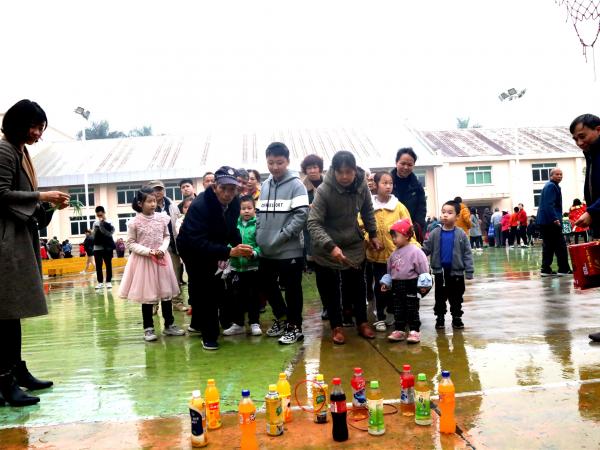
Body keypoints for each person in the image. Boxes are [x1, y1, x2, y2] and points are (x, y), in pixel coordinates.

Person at [0, 99, 69, 406]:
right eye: (33, 126)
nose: (37, 134)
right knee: (6, 313)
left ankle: (15, 371)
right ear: (17, 124)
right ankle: (5, 381)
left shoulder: (19, 151)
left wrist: (47, 205)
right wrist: (41, 195)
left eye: (40, 128)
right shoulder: (4, 150)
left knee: (11, 312)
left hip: (16, 238)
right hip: (5, 242)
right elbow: (0, 193)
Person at [307, 150, 382, 345]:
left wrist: (372, 234)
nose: (345, 177)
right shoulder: (324, 190)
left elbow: (367, 210)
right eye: (340, 172)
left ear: (354, 171)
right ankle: (336, 326)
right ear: (333, 171)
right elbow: (313, 223)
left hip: (352, 240)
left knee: (358, 284)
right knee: (330, 287)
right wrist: (330, 246)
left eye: (349, 172)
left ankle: (362, 322)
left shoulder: (361, 185)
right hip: (326, 243)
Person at [177, 166, 253, 350]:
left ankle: (205, 323)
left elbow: (231, 229)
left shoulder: (234, 202)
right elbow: (197, 242)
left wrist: (239, 245)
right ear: (214, 187)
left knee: (218, 286)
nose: (227, 193)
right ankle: (209, 335)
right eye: (223, 188)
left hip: (215, 245)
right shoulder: (199, 206)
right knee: (204, 290)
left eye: (232, 189)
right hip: (192, 249)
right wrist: (228, 252)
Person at [256, 142, 309, 345]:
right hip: (266, 249)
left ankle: (295, 327)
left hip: (289, 249)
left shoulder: (297, 185)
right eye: (271, 162)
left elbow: (301, 215)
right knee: (266, 284)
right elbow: (260, 212)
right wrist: (261, 234)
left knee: (293, 288)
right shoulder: (266, 185)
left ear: (287, 161)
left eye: (279, 162)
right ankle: (282, 318)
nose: (275, 167)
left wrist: (282, 235)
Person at [118, 187, 185, 342]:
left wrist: (161, 249)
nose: (153, 204)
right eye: (149, 201)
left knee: (166, 293)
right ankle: (148, 328)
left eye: (154, 200)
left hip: (162, 259)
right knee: (147, 296)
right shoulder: (134, 222)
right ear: (140, 203)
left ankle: (169, 325)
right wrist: (149, 252)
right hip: (144, 262)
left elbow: (166, 236)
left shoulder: (162, 218)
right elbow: (131, 243)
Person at [362, 171, 415, 332]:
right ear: (375, 185)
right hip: (377, 257)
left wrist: (414, 249)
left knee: (397, 287)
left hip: (397, 257)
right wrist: (369, 239)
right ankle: (380, 316)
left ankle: (395, 313)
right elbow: (360, 226)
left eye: (390, 183)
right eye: (384, 183)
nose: (388, 186)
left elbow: (408, 229)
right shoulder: (368, 207)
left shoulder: (399, 207)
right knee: (380, 286)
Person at [569, 114, 600, 341]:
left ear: (598, 129)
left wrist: (593, 211)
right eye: (575, 139)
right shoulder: (591, 155)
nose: (579, 142)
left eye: (583, 136)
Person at [422, 200, 474, 330]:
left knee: (456, 297)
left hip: (456, 273)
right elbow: (426, 249)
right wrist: (414, 252)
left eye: (449, 213)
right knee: (440, 297)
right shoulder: (435, 233)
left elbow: (467, 253)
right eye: (443, 212)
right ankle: (440, 318)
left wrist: (469, 271)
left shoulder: (461, 234)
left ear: (457, 217)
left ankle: (457, 318)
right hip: (440, 272)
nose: (445, 215)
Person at [380, 219, 430, 344]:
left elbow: (423, 269)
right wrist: (387, 283)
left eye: (395, 236)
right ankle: (399, 330)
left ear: (407, 235)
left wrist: (424, 285)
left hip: (411, 284)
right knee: (398, 309)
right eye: (392, 237)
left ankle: (414, 331)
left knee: (412, 308)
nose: (393, 239)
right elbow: (389, 271)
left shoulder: (416, 251)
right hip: (397, 286)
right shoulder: (394, 254)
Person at [222, 195, 263, 337]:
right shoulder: (234, 224)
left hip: (253, 268)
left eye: (249, 208)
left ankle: (254, 323)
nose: (246, 211)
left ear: (254, 209)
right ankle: (238, 324)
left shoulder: (258, 225)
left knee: (253, 297)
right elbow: (228, 242)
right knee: (237, 297)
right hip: (236, 268)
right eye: (243, 208)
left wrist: (253, 254)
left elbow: (261, 245)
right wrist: (230, 251)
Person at [147, 180, 187, 312]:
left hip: (172, 245)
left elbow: (178, 223)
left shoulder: (172, 205)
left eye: (160, 189)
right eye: (155, 189)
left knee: (175, 275)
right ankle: (154, 304)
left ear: (164, 190)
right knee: (155, 277)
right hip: (155, 248)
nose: (158, 192)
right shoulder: (147, 206)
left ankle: (177, 301)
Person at [300, 154, 328, 319]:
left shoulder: (330, 184)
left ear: (320, 168)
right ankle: (326, 305)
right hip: (312, 234)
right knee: (321, 274)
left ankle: (341, 305)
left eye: (315, 167)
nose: (312, 170)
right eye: (309, 168)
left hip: (332, 232)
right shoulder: (301, 188)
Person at [536, 168, 571, 277]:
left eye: (561, 174)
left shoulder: (551, 186)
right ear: (551, 176)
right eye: (557, 174)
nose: (560, 176)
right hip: (551, 221)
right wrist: (555, 218)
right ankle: (564, 269)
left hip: (545, 221)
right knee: (560, 245)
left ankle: (546, 269)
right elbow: (549, 204)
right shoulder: (551, 186)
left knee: (549, 246)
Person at [390, 148, 426, 242]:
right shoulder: (387, 183)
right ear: (396, 162)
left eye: (409, 165)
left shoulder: (417, 186)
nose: (406, 167)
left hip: (410, 231)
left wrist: (416, 227)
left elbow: (421, 209)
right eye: (402, 163)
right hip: (390, 230)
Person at [92, 206, 116, 289]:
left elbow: (111, 232)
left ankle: (108, 281)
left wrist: (103, 223)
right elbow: (94, 235)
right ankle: (100, 282)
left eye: (101, 215)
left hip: (107, 247)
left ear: (104, 213)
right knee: (98, 265)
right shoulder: (95, 223)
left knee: (108, 264)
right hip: (97, 247)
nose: (100, 216)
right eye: (98, 215)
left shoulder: (110, 222)